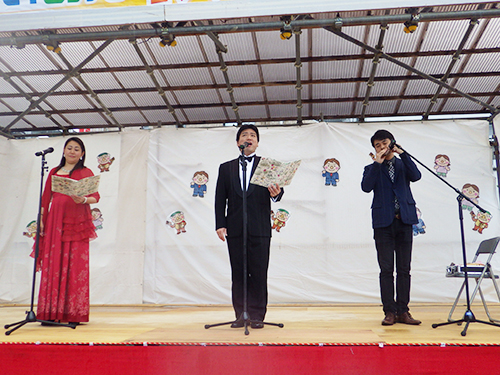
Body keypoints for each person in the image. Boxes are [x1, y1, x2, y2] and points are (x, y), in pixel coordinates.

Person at [215, 125, 283, 329]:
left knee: (259, 272)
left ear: (257, 142)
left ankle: (257, 316)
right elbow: (220, 198)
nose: (249, 137)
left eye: (253, 135)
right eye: (244, 135)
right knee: (239, 272)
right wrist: (220, 224)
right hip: (235, 228)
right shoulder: (226, 167)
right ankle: (240, 314)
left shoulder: (267, 165)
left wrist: (276, 193)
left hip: (260, 227)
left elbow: (278, 193)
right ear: (238, 143)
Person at [35, 137, 100, 325]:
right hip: (55, 221)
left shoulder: (85, 172)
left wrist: (84, 200)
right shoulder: (54, 172)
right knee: (53, 263)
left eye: (77, 149)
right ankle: (49, 312)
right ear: (63, 151)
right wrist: (41, 220)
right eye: (69, 148)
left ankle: (73, 313)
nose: (72, 151)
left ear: (82, 154)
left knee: (75, 265)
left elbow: (96, 196)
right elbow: (45, 197)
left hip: (77, 222)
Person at [361, 130, 422, 326]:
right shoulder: (371, 168)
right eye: (377, 145)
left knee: (404, 269)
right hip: (383, 224)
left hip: (404, 220)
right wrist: (377, 163)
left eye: (384, 143)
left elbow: (417, 176)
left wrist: (403, 153)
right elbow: (366, 187)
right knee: (386, 269)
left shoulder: (404, 163)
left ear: (392, 143)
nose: (381, 147)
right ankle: (389, 311)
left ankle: (403, 311)